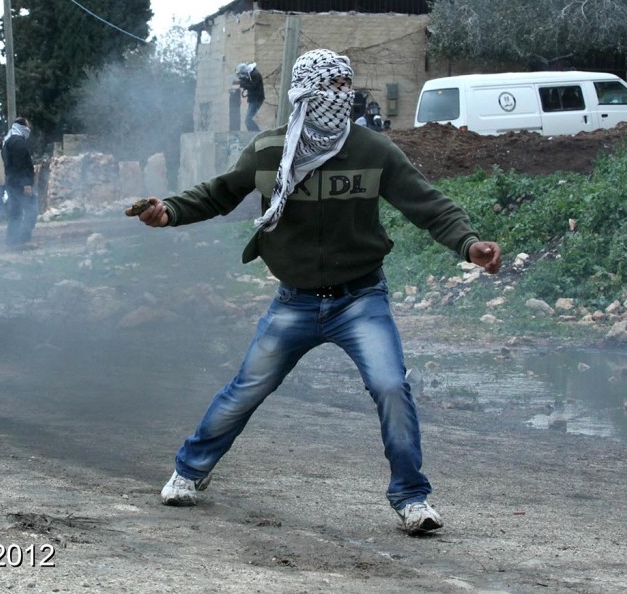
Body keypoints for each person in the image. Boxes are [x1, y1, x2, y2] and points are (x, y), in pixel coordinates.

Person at [128, 49, 503, 535]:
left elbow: (428, 205)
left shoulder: (372, 151)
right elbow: (219, 193)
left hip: (360, 299)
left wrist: (469, 244)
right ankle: (189, 472)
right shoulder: (269, 152)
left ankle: (413, 499)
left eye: (345, 87)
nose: (338, 97)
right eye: (328, 88)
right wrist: (169, 211)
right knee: (247, 388)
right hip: (296, 301)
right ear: (303, 96)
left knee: (392, 386)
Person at [2, 117, 37, 247]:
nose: (29, 129)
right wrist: (26, 183)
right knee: (32, 208)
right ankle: (23, 237)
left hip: (11, 181)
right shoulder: (18, 142)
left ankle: (12, 239)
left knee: (15, 211)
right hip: (19, 183)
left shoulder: (8, 140)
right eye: (27, 125)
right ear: (22, 126)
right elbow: (20, 164)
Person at [235, 62, 265, 132]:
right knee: (248, 120)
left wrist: (241, 83)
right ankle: (254, 133)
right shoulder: (251, 74)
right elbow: (248, 82)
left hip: (256, 99)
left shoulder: (255, 75)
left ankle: (256, 133)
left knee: (248, 120)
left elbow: (252, 86)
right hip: (254, 99)